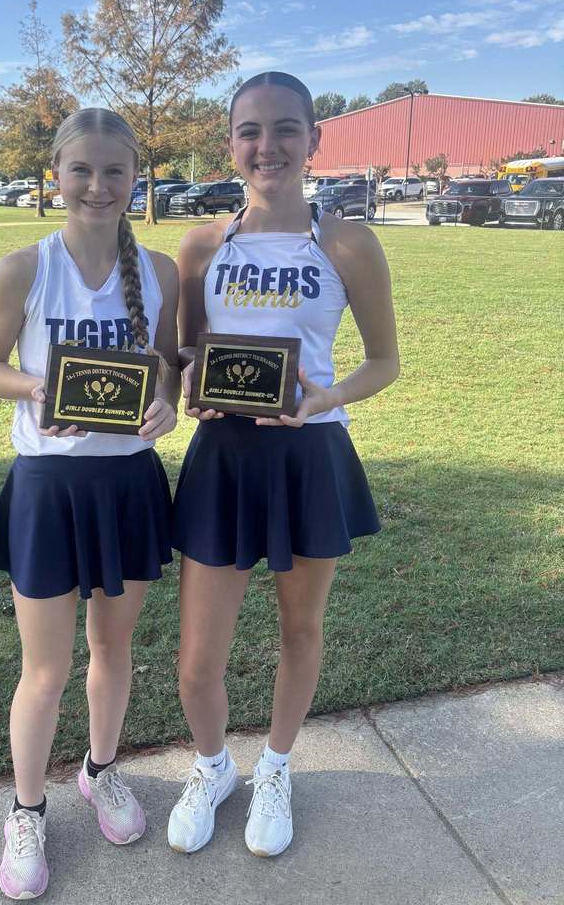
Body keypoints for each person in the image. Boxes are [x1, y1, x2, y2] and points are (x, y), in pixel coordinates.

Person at [168, 72, 399, 858]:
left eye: (285, 129)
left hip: (308, 453)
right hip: (225, 458)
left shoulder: (347, 242)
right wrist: (190, 380)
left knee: (300, 629)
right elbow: (186, 352)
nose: (268, 146)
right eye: (251, 131)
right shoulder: (202, 244)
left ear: (313, 141)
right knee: (198, 659)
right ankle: (211, 768)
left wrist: (323, 396)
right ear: (230, 143)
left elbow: (384, 362)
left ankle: (274, 767)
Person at [0, 107, 180, 900]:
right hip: (49, 487)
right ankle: (26, 811)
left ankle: (101, 772)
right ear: (55, 174)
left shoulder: (158, 270)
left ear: (135, 177)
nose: (97, 185)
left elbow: (168, 362)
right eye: (82, 170)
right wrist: (34, 386)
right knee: (46, 669)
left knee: (113, 652)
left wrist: (167, 399)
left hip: (127, 485)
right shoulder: (23, 267)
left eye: (114, 171)